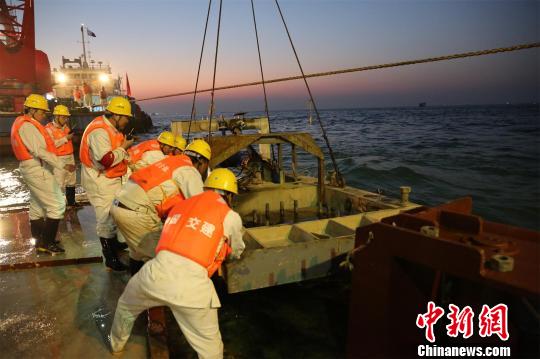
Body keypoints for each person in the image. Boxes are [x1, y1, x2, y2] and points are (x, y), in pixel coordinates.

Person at [110, 168, 245, 358]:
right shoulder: (230, 216)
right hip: (192, 288)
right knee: (210, 348)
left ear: (206, 188)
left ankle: (117, 348)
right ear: (230, 195)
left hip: (153, 275)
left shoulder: (180, 206)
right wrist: (232, 255)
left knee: (125, 307)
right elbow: (237, 249)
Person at [111, 139, 211, 275]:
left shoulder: (171, 161)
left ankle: (135, 287)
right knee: (162, 258)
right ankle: (152, 293)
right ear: (202, 162)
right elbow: (200, 207)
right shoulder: (190, 171)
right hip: (137, 213)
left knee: (137, 253)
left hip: (119, 205)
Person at [10, 94, 75, 254]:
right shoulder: (28, 126)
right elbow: (39, 151)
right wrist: (62, 165)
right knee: (57, 204)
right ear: (31, 110)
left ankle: (40, 239)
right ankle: (47, 242)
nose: (44, 115)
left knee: (37, 205)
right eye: (42, 112)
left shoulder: (24, 123)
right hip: (37, 168)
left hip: (31, 167)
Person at [80, 96, 134, 271]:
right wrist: (124, 147)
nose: (127, 121)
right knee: (105, 218)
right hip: (100, 180)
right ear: (117, 116)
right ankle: (110, 258)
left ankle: (114, 246)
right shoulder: (99, 131)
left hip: (108, 179)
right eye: (126, 117)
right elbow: (106, 159)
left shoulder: (108, 127)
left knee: (112, 214)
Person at [45, 105, 77, 206]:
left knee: (71, 181)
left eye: (66, 117)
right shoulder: (48, 129)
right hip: (58, 159)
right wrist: (66, 138)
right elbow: (51, 145)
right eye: (63, 117)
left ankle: (71, 203)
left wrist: (71, 138)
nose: (66, 120)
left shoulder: (66, 128)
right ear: (56, 117)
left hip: (70, 157)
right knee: (59, 183)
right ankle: (58, 206)